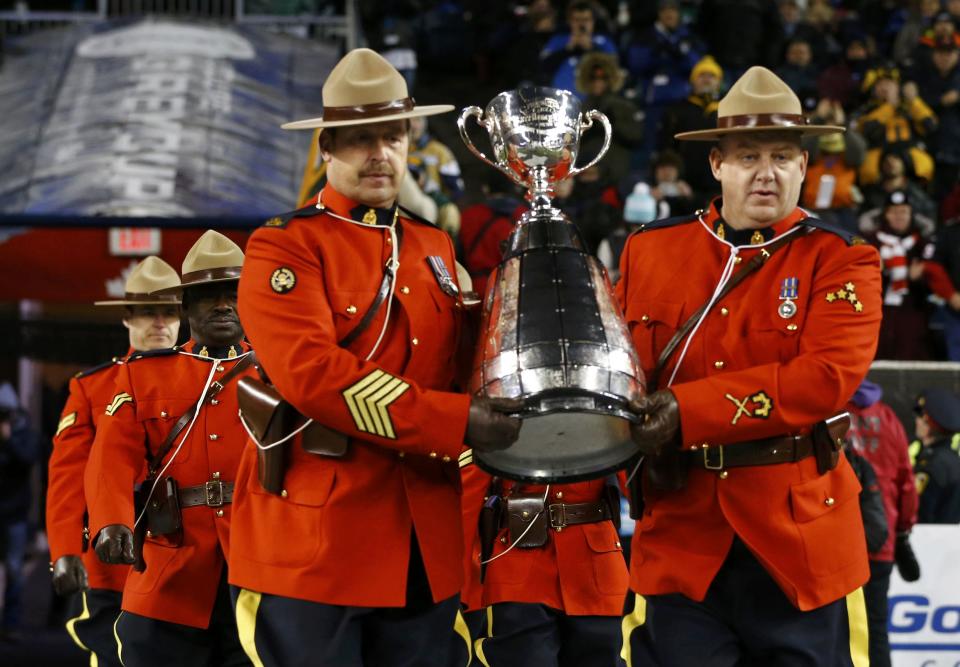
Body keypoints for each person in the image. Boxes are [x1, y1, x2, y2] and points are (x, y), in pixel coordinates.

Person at [226, 48, 521, 667]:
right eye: (360, 140)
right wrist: (452, 421)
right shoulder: (285, 246)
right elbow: (314, 376)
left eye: (393, 136)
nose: (379, 153)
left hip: (424, 536)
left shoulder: (433, 243)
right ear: (327, 149)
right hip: (320, 541)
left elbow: (461, 361)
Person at [617, 66, 882, 666]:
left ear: (804, 167)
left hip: (796, 542)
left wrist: (688, 409)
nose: (767, 172)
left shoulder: (841, 259)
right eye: (748, 156)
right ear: (716, 165)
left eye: (783, 156)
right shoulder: (650, 249)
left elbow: (825, 381)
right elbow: (620, 372)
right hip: (683, 534)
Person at [85, 231, 256, 667]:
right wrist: (111, 522)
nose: (222, 305)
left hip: (262, 559)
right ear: (185, 306)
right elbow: (111, 457)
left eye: (232, 293)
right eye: (207, 296)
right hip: (172, 566)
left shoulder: (280, 373)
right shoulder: (144, 377)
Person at [46, 256, 181, 666]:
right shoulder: (93, 386)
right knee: (114, 653)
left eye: (169, 312)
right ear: (127, 317)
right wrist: (65, 548)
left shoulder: (211, 378)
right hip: (114, 559)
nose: (159, 322)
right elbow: (68, 473)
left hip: (188, 554)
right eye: (147, 312)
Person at [459, 465, 628, 666]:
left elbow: (644, 482)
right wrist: (459, 588)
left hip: (597, 567)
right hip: (519, 565)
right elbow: (469, 487)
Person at [846, 379, 919, 667]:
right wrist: (902, 530)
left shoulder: (827, 410)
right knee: (875, 630)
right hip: (881, 537)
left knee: (830, 629)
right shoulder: (889, 418)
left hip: (836, 540)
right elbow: (906, 483)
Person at [866, 189, 959, 360]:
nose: (899, 216)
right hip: (879, 310)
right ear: (885, 215)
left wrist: (920, 278)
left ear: (911, 214)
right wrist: (875, 271)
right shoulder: (870, 242)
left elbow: (935, 280)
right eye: (893, 211)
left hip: (914, 311)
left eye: (903, 211)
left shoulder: (923, 243)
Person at [0, 382, 39, 642]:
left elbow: (29, 458)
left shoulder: (24, 431)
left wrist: (8, 439)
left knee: (14, 569)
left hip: (14, 512)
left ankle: (11, 623)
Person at [539, 0, 617, 97]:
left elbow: (613, 70)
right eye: (577, 20)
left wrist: (591, 49)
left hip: (594, 103)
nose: (581, 24)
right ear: (570, 21)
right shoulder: (558, 40)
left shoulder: (603, 41)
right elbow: (543, 67)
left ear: (593, 21)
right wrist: (568, 49)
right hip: (561, 102)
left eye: (585, 20)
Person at [913, 388, 960, 523]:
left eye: (921, 418)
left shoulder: (931, 466)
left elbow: (920, 513)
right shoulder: (953, 460)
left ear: (929, 426)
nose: (917, 421)